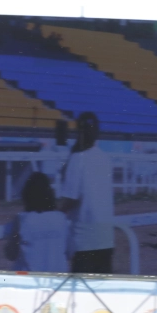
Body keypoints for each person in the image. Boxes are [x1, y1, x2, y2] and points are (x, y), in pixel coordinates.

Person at [59, 112, 115, 274]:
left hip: (84, 240)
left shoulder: (77, 158)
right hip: (106, 239)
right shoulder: (105, 158)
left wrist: (55, 213)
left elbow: (70, 198)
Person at [3, 172, 71, 273]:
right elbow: (69, 252)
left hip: (29, 279)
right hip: (58, 279)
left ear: (27, 195)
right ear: (50, 194)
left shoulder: (22, 219)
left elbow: (11, 255)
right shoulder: (62, 219)